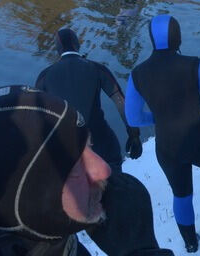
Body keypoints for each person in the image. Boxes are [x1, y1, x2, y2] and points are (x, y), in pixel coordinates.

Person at [0, 85, 179, 256]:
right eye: (73, 164)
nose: (103, 169)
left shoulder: (47, 238)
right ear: (24, 199)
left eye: (89, 144)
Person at [125, 15, 200, 253]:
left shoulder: (137, 75)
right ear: (178, 36)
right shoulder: (195, 64)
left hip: (168, 147)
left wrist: (159, 118)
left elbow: (133, 118)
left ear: (152, 40)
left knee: (181, 194)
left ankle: (190, 243)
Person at [35, 28, 142, 172]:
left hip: (66, 146)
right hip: (100, 141)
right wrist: (134, 135)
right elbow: (120, 101)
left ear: (57, 49)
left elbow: (37, 117)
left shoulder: (44, 77)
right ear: (77, 45)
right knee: (113, 178)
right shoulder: (97, 69)